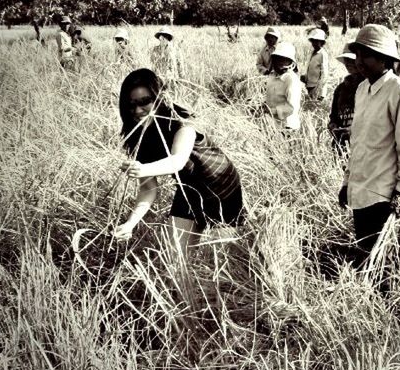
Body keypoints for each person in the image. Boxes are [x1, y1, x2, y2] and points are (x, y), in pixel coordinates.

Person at [114, 69, 245, 248]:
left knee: (223, 259)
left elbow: (178, 160)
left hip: (221, 188)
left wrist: (142, 169)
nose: (138, 110)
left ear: (159, 98)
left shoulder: (182, 121)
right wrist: (130, 223)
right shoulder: (139, 135)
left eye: (145, 102)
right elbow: (148, 188)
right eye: (131, 105)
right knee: (175, 258)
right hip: (189, 190)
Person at [338, 24, 400, 266]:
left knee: (383, 264)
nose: (359, 60)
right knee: (364, 257)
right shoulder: (362, 89)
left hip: (383, 195)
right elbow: (359, 143)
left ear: (384, 58)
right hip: (360, 190)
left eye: (365, 54)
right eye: (358, 53)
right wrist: (347, 182)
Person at [328, 44, 363, 155]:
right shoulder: (340, 89)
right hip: (341, 143)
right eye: (346, 60)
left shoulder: (368, 87)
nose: (348, 63)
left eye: (352, 60)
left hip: (362, 144)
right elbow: (334, 115)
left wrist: (352, 130)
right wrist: (333, 125)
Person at [264, 42, 303, 131]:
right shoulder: (273, 76)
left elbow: (291, 107)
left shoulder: (291, 80)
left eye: (283, 59)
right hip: (272, 125)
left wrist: (271, 111)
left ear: (291, 62)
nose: (279, 62)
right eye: (277, 58)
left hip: (287, 127)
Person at [303, 28, 329, 100]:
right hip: (309, 85)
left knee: (315, 104)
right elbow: (309, 67)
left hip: (317, 87)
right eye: (313, 41)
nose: (314, 44)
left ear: (322, 42)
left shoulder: (323, 54)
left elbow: (324, 74)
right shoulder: (311, 53)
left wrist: (319, 90)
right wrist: (305, 77)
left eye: (317, 41)